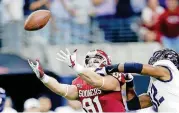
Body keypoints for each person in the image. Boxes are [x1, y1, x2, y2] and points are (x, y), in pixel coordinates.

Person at [28, 49, 126, 112]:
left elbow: (98, 81)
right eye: (89, 61)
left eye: (96, 60)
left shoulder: (113, 76)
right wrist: (44, 77)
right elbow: (60, 89)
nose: (92, 63)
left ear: (107, 61)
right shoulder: (81, 82)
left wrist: (76, 66)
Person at [101, 48, 179, 112]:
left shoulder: (168, 70)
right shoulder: (160, 87)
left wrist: (108, 69)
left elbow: (137, 67)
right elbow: (133, 104)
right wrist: (129, 83)